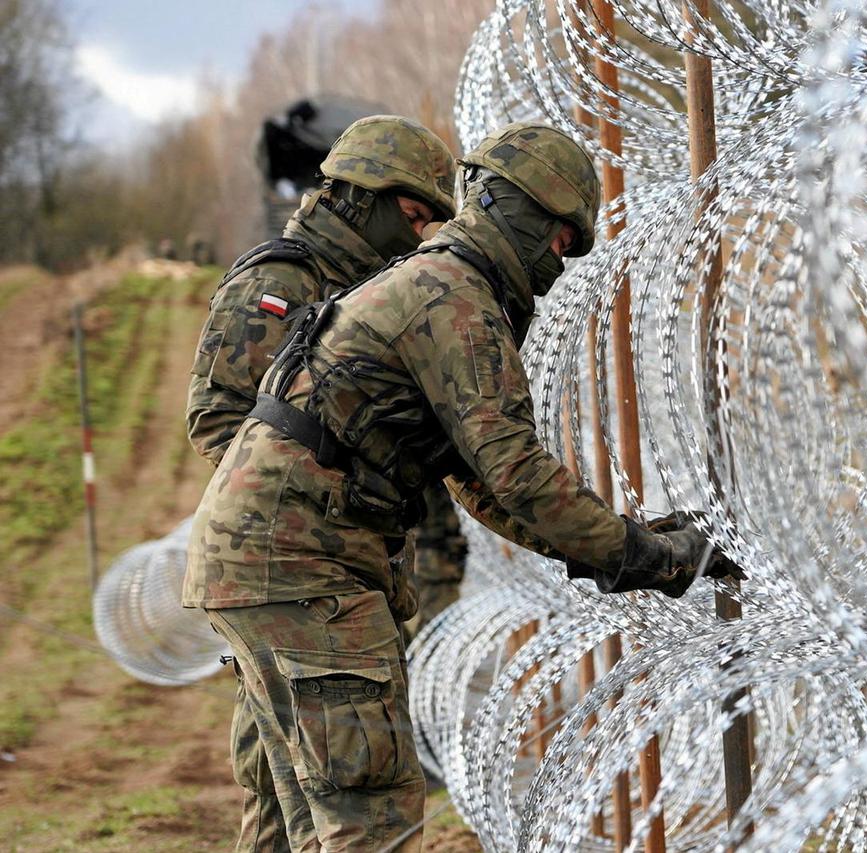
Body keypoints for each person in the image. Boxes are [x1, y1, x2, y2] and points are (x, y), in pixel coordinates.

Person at [184, 121, 743, 851]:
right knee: (370, 813)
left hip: (266, 567)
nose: (559, 257)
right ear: (516, 210)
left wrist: (629, 545)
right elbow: (514, 469)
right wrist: (646, 553)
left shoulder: (434, 282)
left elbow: (483, 485)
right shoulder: (457, 299)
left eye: (572, 246)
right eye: (557, 234)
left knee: (304, 826)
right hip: (306, 570)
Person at [184, 114, 459, 852]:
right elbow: (218, 422)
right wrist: (316, 502)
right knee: (288, 795)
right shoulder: (283, 279)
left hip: (341, 574)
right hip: (290, 577)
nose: (421, 235)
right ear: (361, 196)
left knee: (316, 793)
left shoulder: (368, 288)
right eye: (412, 216)